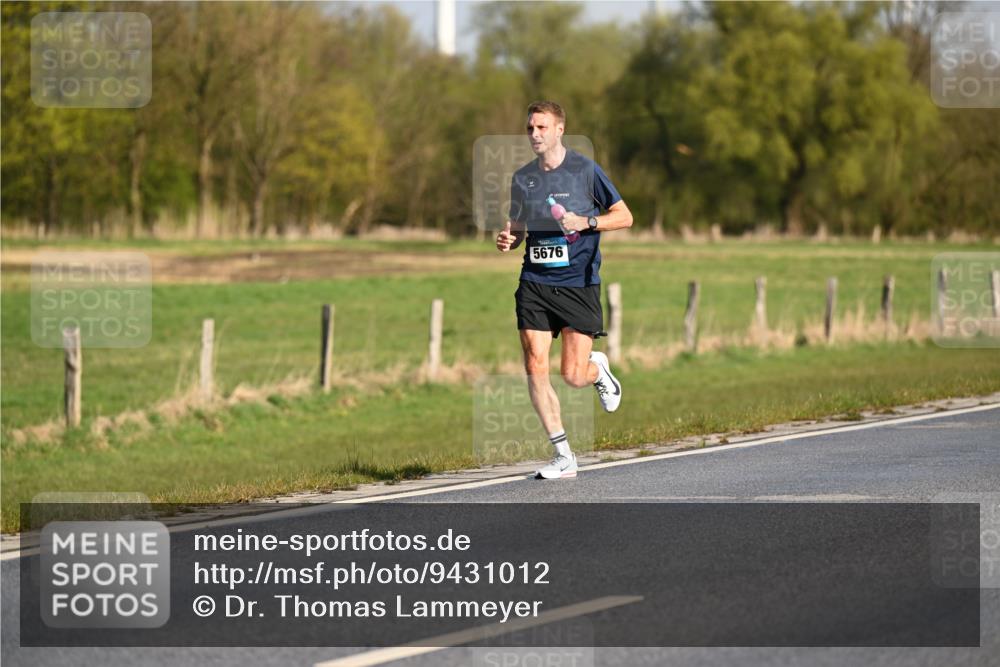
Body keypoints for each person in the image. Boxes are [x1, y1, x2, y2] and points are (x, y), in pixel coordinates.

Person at [495, 101, 633, 480]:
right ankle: (563, 455)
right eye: (530, 128)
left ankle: (597, 370)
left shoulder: (585, 171)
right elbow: (518, 228)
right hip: (535, 282)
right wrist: (509, 239)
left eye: (541, 127)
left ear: (559, 130)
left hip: (577, 284)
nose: (534, 134)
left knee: (572, 375)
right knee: (534, 365)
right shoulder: (523, 178)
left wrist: (587, 222)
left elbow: (624, 216)